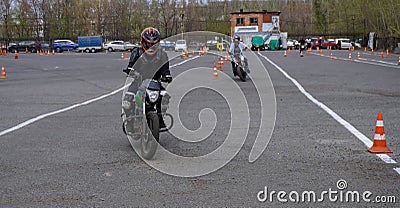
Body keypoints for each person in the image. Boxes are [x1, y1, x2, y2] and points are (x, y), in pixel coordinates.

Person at [122, 27, 172, 133]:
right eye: (148, 44)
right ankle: (130, 122)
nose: (151, 46)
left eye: (153, 44)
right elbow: (131, 65)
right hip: (138, 81)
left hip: (155, 82)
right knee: (127, 100)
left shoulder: (162, 54)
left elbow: (165, 69)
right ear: (143, 42)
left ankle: (160, 118)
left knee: (165, 97)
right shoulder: (137, 52)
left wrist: (167, 75)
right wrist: (130, 70)